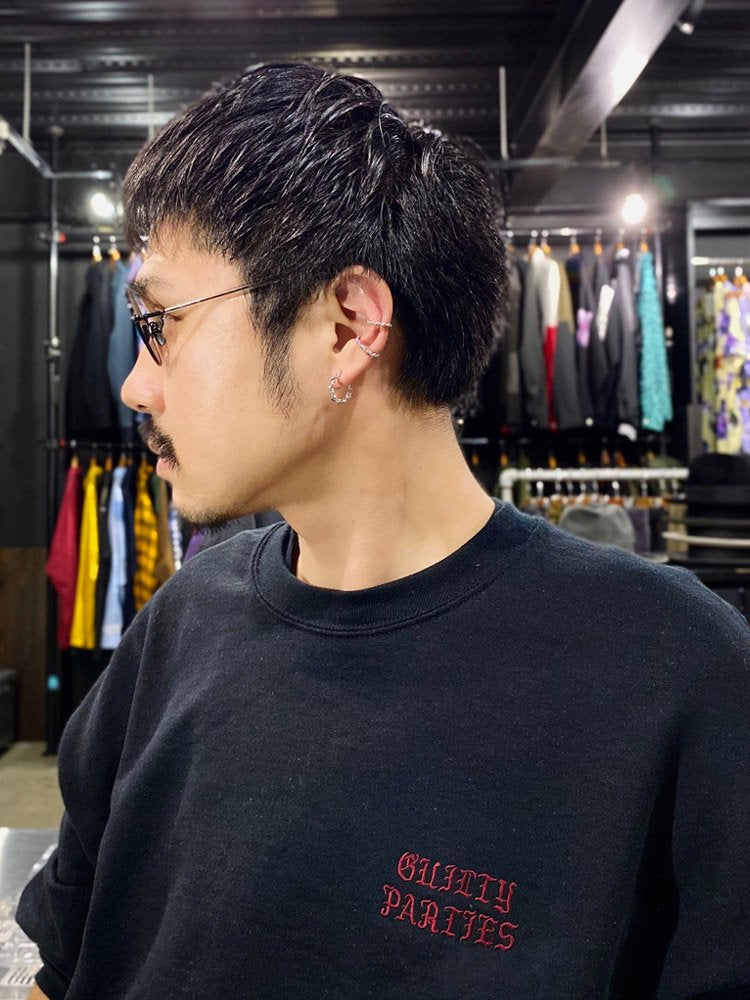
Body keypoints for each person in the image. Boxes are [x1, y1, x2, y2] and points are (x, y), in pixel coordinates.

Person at [17, 63, 750, 1000]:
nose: (134, 383)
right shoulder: (180, 626)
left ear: (347, 324)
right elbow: (64, 970)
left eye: (162, 322)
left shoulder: (672, 672)